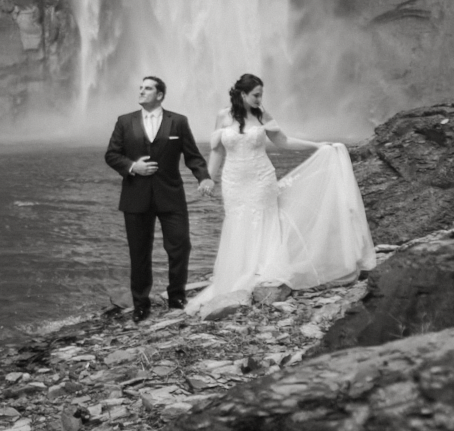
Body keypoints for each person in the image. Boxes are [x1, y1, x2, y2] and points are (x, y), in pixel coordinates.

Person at [187, 72, 376, 312]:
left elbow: (283, 141)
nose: (259, 99)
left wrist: (316, 146)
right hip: (233, 180)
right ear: (243, 94)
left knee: (262, 218)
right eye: (256, 95)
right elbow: (217, 151)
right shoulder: (222, 116)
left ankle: (262, 269)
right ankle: (239, 269)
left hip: (261, 178)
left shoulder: (262, 114)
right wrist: (207, 178)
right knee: (237, 219)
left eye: (261, 95)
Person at [105, 75, 214, 322]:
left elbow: (193, 156)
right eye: (140, 87)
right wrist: (133, 166)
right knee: (139, 252)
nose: (141, 91)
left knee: (180, 247)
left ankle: (177, 297)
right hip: (136, 197)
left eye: (147, 88)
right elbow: (111, 155)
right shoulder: (125, 121)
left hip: (171, 195)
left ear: (160, 95)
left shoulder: (178, 122)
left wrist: (204, 177)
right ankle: (141, 305)